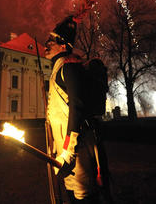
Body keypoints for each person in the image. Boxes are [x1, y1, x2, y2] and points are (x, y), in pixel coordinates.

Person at [45, 15, 112, 203]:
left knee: (84, 195)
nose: (46, 44)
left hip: (77, 148)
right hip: (65, 149)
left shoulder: (69, 67)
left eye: (51, 41)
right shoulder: (58, 67)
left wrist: (68, 151)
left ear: (63, 46)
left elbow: (77, 108)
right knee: (72, 193)